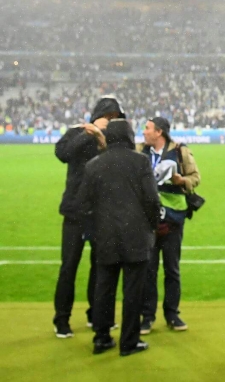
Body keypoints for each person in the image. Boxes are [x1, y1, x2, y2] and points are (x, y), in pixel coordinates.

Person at [75, 118, 161, 356]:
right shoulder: (140, 162)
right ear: (129, 136)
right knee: (133, 292)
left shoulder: (94, 165)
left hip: (105, 236)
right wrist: (151, 227)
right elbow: (152, 200)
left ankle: (101, 338)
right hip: (136, 235)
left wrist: (94, 231)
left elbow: (83, 204)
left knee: (104, 289)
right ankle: (129, 342)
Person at [52, 95, 124, 338]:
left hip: (101, 213)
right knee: (68, 267)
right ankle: (62, 319)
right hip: (74, 212)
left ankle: (97, 315)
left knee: (100, 268)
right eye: (109, 117)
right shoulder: (76, 131)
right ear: (98, 115)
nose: (112, 121)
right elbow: (62, 153)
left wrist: (103, 141)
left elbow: (118, 164)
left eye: (116, 118)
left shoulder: (113, 139)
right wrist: (89, 133)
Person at [139, 116, 201, 334]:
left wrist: (181, 181)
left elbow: (195, 177)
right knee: (149, 269)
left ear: (159, 132)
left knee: (172, 269)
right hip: (148, 218)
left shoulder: (180, 151)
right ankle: (147, 316)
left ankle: (172, 314)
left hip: (174, 218)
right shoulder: (140, 151)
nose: (144, 132)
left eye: (147, 128)